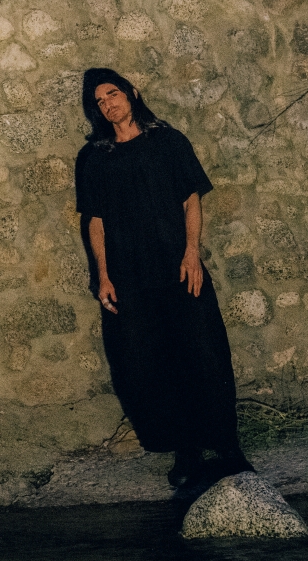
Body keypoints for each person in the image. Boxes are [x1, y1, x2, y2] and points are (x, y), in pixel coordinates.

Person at [74, 67, 254, 499]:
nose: (107, 104)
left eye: (112, 93)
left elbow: (190, 200)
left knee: (203, 354)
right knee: (148, 363)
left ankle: (228, 448)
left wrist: (192, 253)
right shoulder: (94, 157)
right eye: (98, 101)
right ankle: (186, 451)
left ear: (132, 93)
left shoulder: (169, 143)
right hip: (129, 277)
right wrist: (102, 275)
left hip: (178, 268)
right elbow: (94, 221)